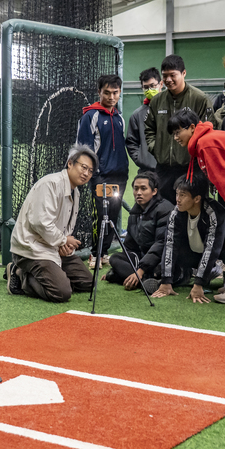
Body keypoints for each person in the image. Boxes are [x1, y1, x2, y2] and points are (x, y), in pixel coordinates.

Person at [169, 108, 225, 304]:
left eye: (177, 132)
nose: (175, 138)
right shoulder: (204, 142)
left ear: (192, 127)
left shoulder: (207, 144)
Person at [7, 145, 96, 302]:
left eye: (90, 171)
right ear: (70, 163)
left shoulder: (76, 191)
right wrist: (62, 241)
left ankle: (51, 274)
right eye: (83, 167)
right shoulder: (50, 184)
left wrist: (63, 244)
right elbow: (40, 222)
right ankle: (20, 274)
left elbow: (64, 228)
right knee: (61, 292)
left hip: (53, 247)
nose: (86, 173)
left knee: (88, 283)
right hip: (32, 249)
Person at [150, 174, 225, 303]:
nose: (177, 200)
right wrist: (166, 281)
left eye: (183, 195)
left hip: (222, 247)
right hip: (198, 248)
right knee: (173, 248)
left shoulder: (214, 213)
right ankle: (202, 271)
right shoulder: (176, 213)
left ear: (197, 198)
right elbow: (170, 245)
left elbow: (212, 248)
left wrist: (198, 284)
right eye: (177, 194)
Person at [144, 54, 213, 205]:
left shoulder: (199, 99)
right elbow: (149, 128)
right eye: (165, 76)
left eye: (172, 75)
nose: (168, 79)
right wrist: (156, 148)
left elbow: (209, 131)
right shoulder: (157, 101)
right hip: (164, 170)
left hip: (191, 168)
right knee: (164, 211)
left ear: (184, 73)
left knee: (193, 209)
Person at [76, 75, 128, 268]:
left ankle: (104, 252)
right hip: (100, 176)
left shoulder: (120, 117)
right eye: (107, 92)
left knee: (113, 215)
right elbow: (84, 149)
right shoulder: (91, 116)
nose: (111, 97)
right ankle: (95, 253)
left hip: (119, 175)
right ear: (99, 92)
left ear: (120, 92)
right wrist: (92, 174)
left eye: (115, 92)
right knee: (101, 215)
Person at [103, 171, 173, 293]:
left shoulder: (165, 210)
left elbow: (161, 244)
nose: (138, 193)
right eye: (136, 189)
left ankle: (142, 278)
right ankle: (144, 280)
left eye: (143, 188)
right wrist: (120, 265)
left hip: (163, 260)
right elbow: (130, 246)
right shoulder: (134, 213)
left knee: (159, 266)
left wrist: (140, 270)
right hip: (143, 259)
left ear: (154, 191)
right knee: (114, 258)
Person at [126, 68, 161, 170]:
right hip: (146, 171)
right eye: (146, 87)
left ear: (161, 84)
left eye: (153, 86)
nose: (149, 90)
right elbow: (131, 142)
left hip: (169, 171)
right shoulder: (137, 115)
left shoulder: (173, 110)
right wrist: (141, 160)